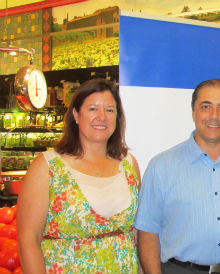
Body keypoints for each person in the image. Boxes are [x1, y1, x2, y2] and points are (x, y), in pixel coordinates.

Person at [134, 79, 220, 274]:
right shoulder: (161, 167)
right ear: (193, 112)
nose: (215, 116)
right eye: (206, 106)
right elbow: (148, 232)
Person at [18, 78, 142, 273]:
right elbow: (28, 241)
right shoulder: (47, 167)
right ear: (75, 114)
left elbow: (135, 234)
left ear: (117, 118)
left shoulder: (129, 164)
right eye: (92, 109)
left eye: (110, 110)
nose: (102, 117)